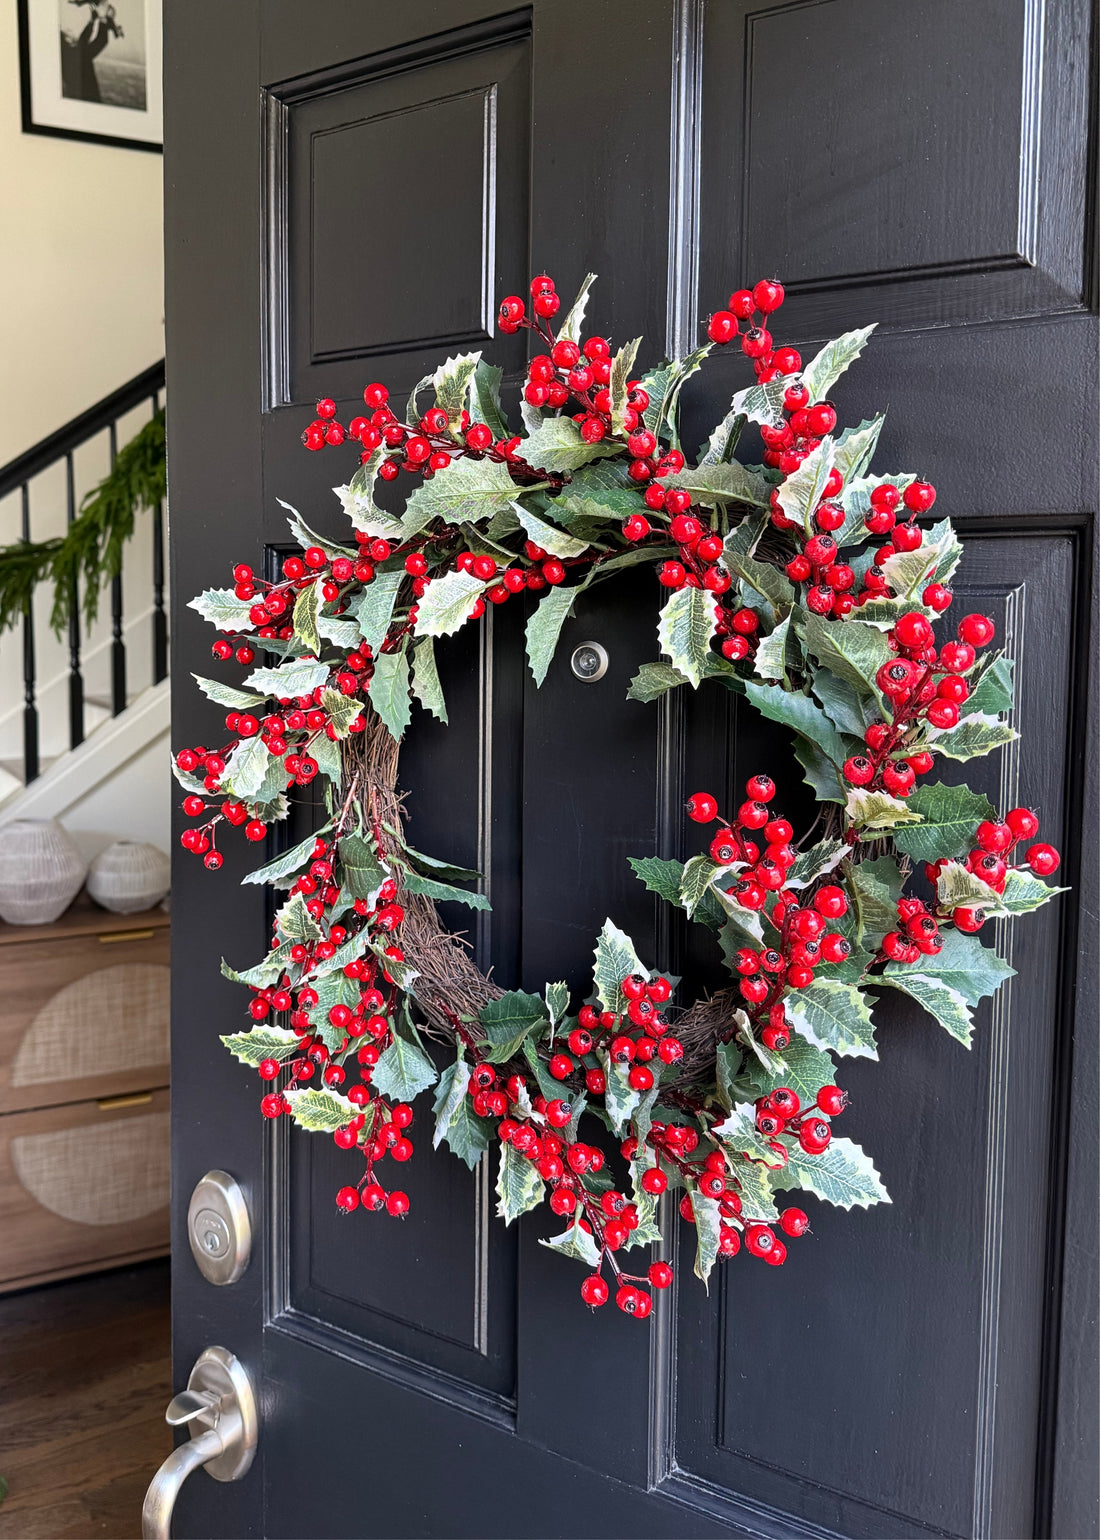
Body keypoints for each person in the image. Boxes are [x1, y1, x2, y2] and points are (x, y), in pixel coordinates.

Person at [60, 0, 124, 105]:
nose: (70, 32)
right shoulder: (77, 56)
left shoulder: (68, 54)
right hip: (88, 103)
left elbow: (84, 41)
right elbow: (98, 41)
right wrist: (103, 19)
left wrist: (97, 18)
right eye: (67, 34)